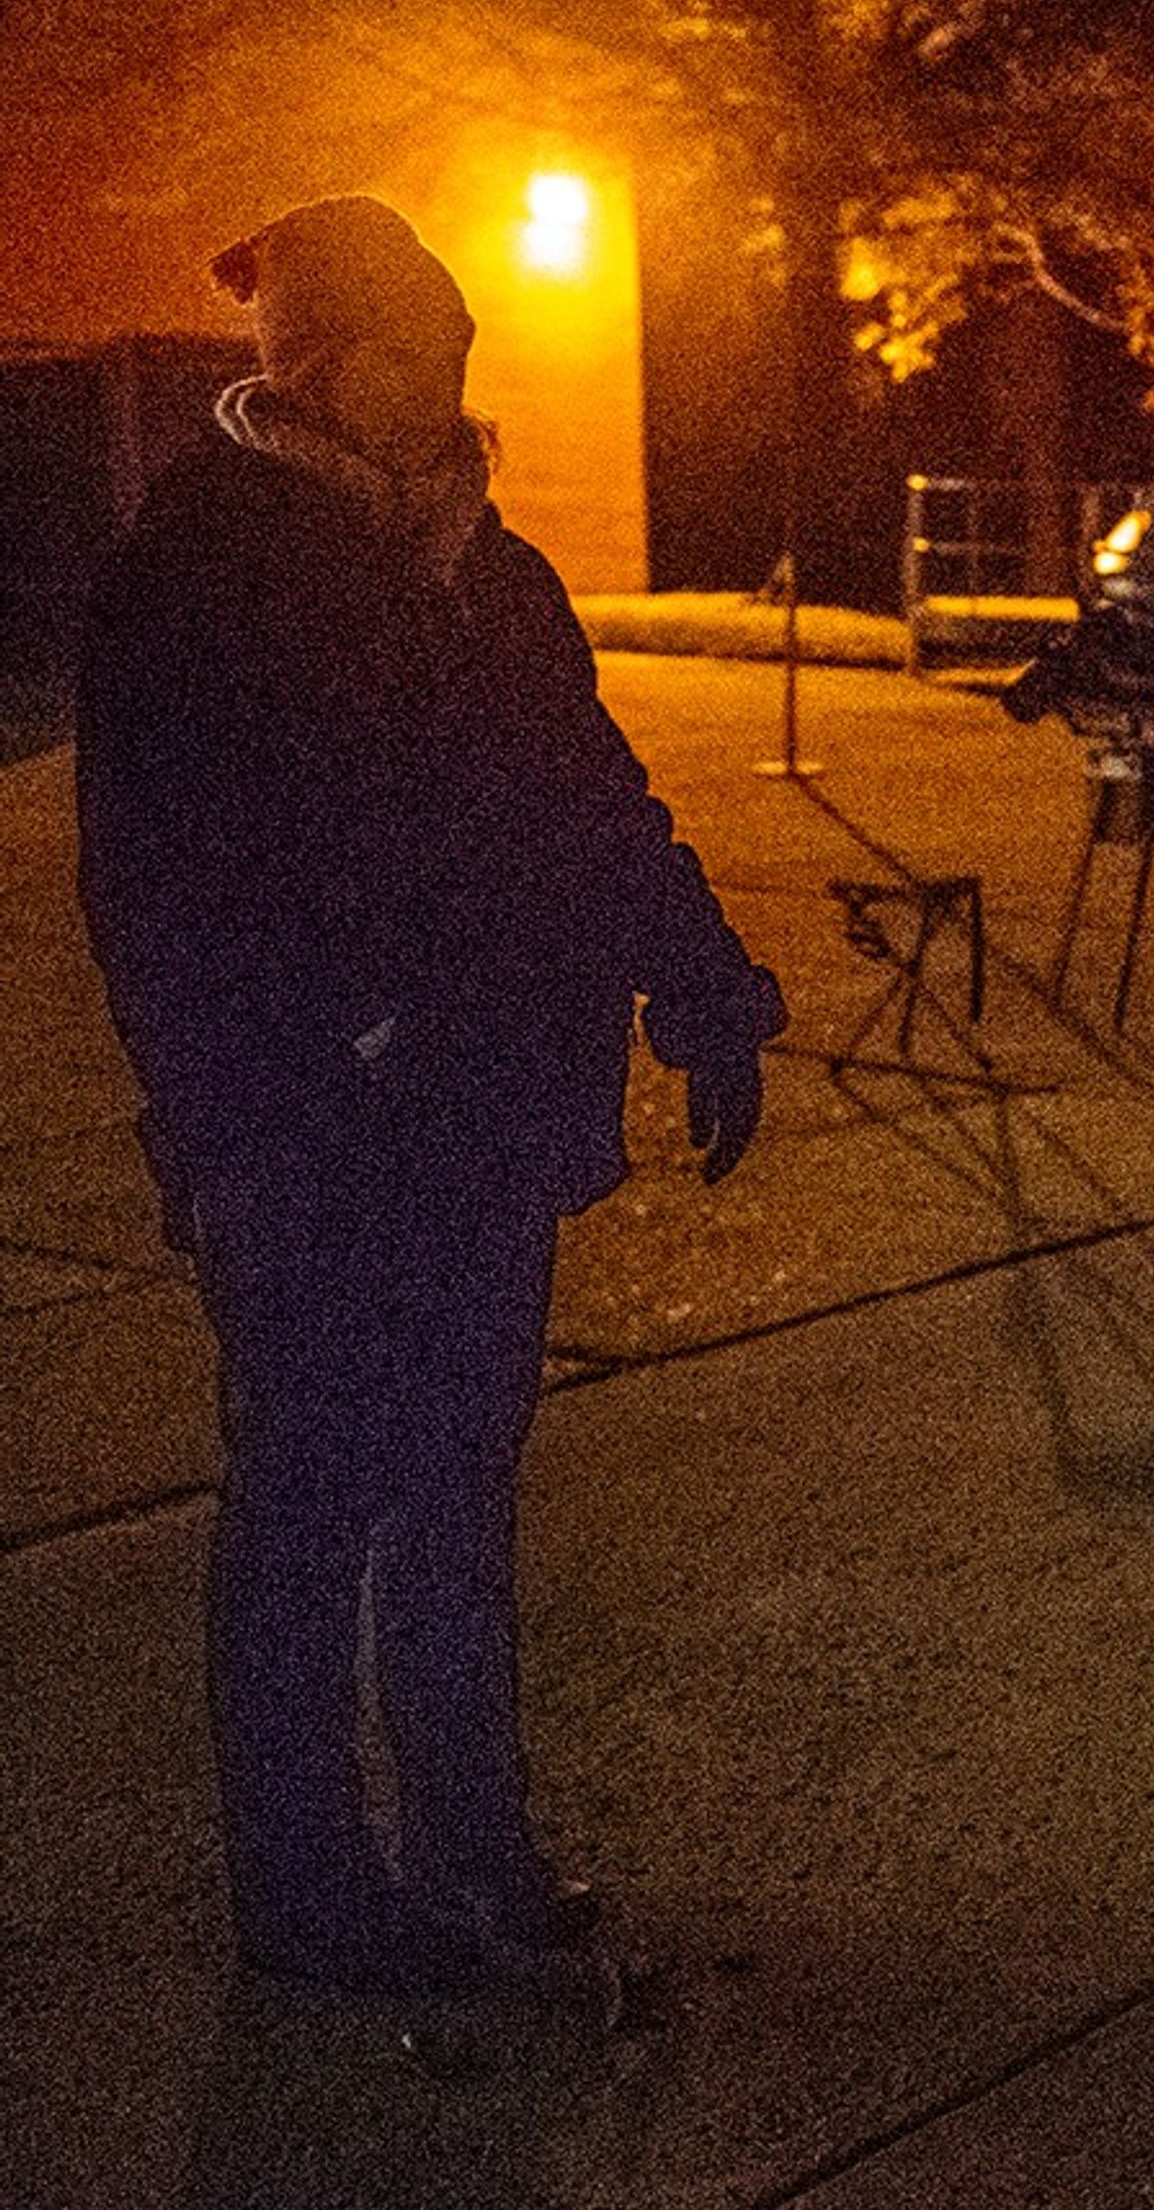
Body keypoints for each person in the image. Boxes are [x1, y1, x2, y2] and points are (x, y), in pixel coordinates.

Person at [73, 194, 785, 2006]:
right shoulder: (199, 574)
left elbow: (592, 803)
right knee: (310, 1501)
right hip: (306, 1137)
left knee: (460, 1485)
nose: (457, 381)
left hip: (482, 1113)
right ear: (324, 366)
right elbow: (153, 890)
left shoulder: (492, 573)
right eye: (422, 350)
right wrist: (239, 1115)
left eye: (463, 348)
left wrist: (704, 981)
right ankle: (310, 1897)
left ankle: (475, 1842)